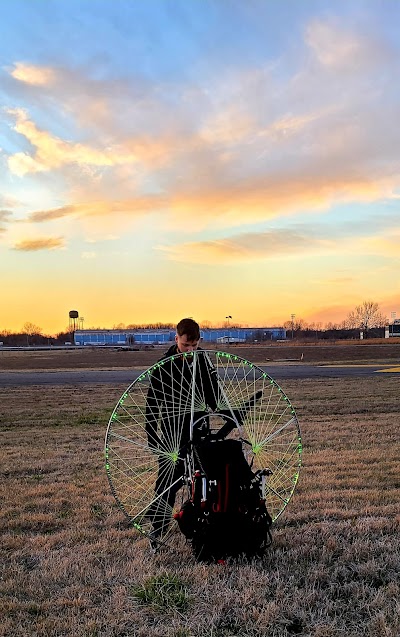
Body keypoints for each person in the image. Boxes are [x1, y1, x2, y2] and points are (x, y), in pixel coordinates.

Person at [145, 318, 220, 545]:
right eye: (186, 345)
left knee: (204, 478)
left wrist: (219, 403)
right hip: (172, 432)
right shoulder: (163, 365)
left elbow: (213, 397)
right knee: (169, 480)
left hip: (199, 428)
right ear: (176, 338)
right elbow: (152, 404)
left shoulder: (203, 360)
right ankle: (158, 529)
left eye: (194, 346)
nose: (190, 350)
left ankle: (205, 525)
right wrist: (152, 435)